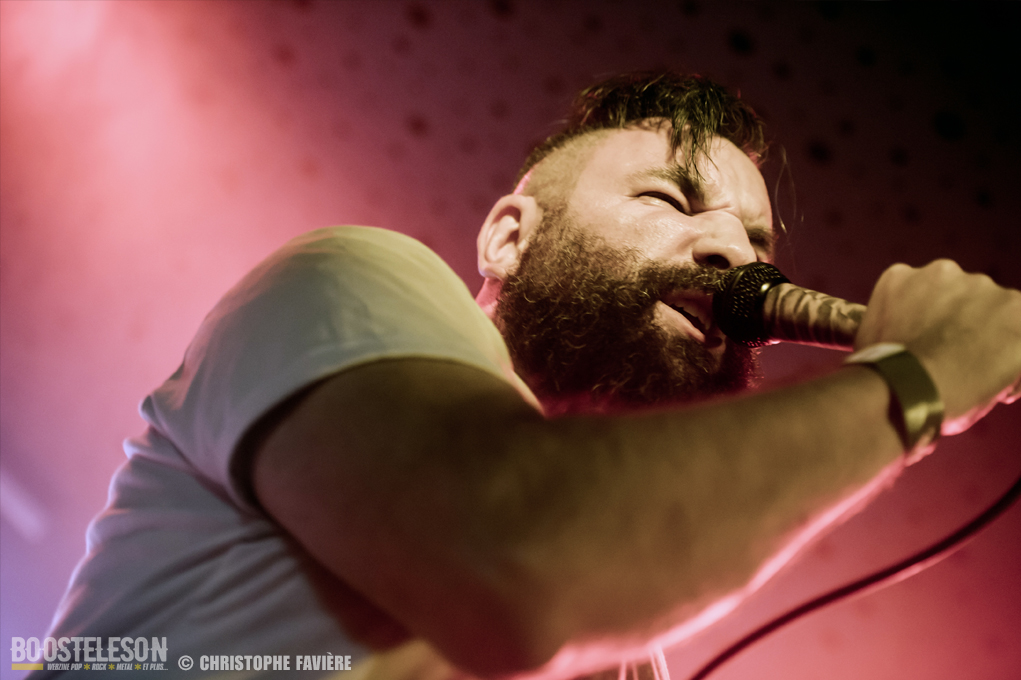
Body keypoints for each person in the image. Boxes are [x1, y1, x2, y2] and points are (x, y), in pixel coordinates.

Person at [37, 72, 1020, 680]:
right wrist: (912, 380)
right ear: (508, 234)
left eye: (756, 240)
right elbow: (515, 555)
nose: (731, 252)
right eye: (669, 199)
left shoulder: (629, 642)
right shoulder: (349, 275)